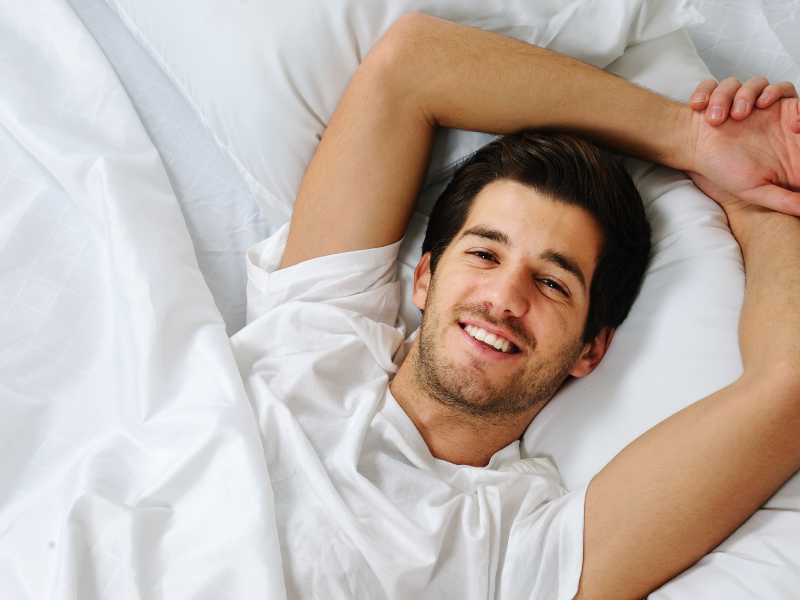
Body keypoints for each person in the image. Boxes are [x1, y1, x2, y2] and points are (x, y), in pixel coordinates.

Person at [231, 13, 800, 600]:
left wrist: (763, 195)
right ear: (424, 277)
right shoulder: (315, 331)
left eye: (554, 283)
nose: (504, 298)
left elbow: (788, 388)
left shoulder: (522, 544)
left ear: (590, 348)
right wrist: (694, 138)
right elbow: (411, 64)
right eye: (483, 254)